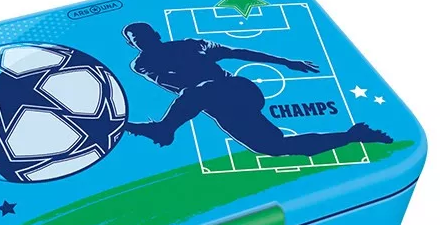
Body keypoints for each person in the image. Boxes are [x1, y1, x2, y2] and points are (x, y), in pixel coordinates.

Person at [122, 22, 392, 156]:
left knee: (200, 89)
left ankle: (164, 129)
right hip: (218, 108)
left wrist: (286, 62)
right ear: (133, 45)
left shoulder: (192, 45)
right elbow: (171, 80)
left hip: (238, 91)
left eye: (144, 36)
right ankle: (353, 135)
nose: (141, 42)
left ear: (155, 34)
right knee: (274, 147)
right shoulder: (141, 64)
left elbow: (238, 52)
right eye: (136, 40)